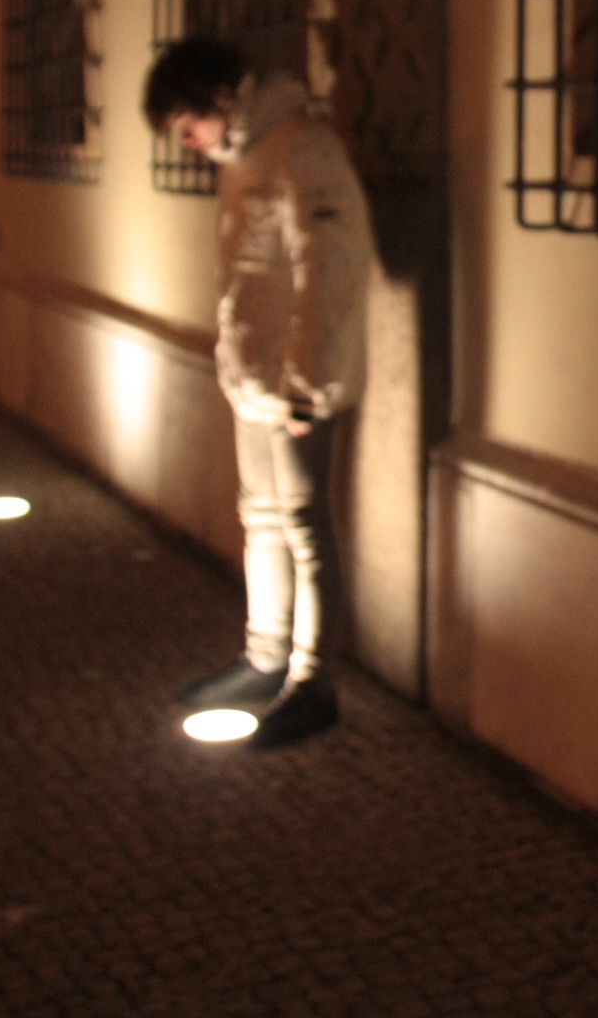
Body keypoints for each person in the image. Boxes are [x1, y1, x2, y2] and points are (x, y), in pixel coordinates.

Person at [141, 37, 373, 746]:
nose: (188, 143)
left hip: (293, 385)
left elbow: (327, 271)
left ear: (216, 98)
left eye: (186, 125)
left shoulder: (302, 148)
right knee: (263, 521)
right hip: (255, 378)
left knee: (305, 527)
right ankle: (265, 656)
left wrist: (307, 387)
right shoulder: (246, 158)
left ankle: (313, 683)